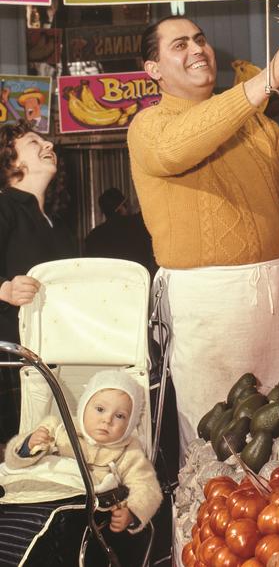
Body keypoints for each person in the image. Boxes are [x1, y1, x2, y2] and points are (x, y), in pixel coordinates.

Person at [127, 15, 279, 454]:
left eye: (200, 39)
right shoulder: (148, 127)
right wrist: (268, 79)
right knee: (216, 440)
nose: (196, 49)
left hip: (271, 295)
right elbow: (179, 147)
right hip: (205, 304)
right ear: (152, 69)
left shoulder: (256, 125)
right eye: (179, 45)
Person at [0, 369, 162, 567]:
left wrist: (133, 512)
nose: (107, 420)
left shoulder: (128, 451)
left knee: (39, 532)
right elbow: (13, 463)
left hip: (74, 507)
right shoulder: (61, 429)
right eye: (100, 409)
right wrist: (29, 445)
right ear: (84, 406)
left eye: (120, 416)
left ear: (130, 423)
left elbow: (148, 487)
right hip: (34, 491)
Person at [0, 121, 73, 445]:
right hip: (11, 363)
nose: (48, 146)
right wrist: (5, 289)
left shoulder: (57, 225)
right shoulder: (3, 206)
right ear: (11, 162)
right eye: (33, 142)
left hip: (53, 360)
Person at [84, 187, 156, 275]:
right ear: (121, 207)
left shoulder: (92, 237)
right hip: (139, 283)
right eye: (127, 204)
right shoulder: (138, 224)